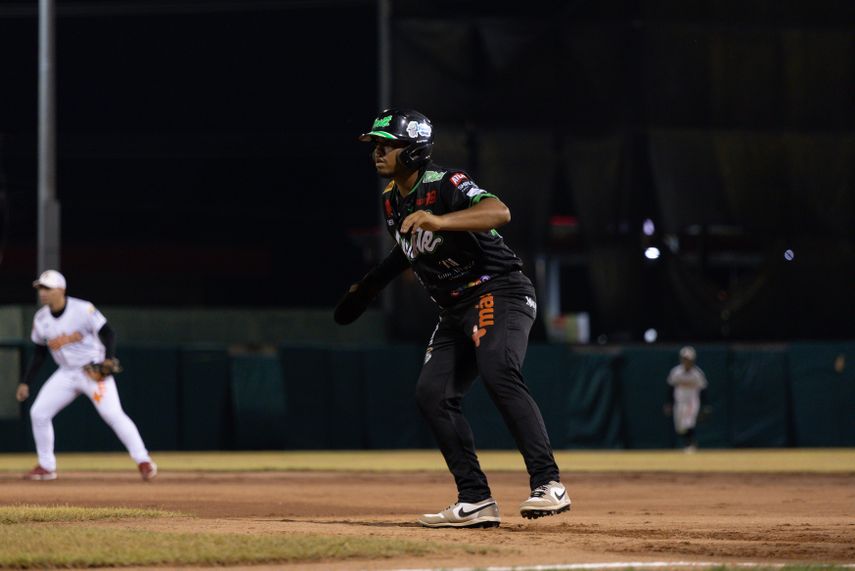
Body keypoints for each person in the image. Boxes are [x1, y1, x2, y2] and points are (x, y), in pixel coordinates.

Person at [334, 108, 569, 528]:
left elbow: (499, 212)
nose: (378, 151)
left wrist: (441, 219)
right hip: (454, 309)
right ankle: (475, 498)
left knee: (498, 370)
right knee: (432, 394)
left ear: (414, 149)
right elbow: (406, 251)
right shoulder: (392, 200)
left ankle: (548, 483)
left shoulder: (445, 183)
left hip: (499, 289)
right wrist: (369, 286)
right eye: (375, 145)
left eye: (386, 144)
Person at [16, 270, 157, 481]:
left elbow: (109, 333)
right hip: (66, 373)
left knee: (113, 414)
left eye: (47, 288)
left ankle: (143, 461)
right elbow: (39, 353)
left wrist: (108, 359)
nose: (42, 293)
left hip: (93, 372)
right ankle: (46, 467)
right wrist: (26, 382)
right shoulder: (41, 318)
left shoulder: (83, 309)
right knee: (39, 413)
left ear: (61, 290)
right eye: (40, 288)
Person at [664, 346, 708, 452]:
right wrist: (669, 403)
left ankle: (690, 444)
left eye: (688, 359)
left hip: (692, 401)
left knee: (688, 422)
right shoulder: (676, 372)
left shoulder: (697, 374)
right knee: (680, 427)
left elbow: (703, 390)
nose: (686, 361)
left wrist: (705, 405)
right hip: (679, 402)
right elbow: (670, 387)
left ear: (693, 360)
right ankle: (689, 443)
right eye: (685, 358)